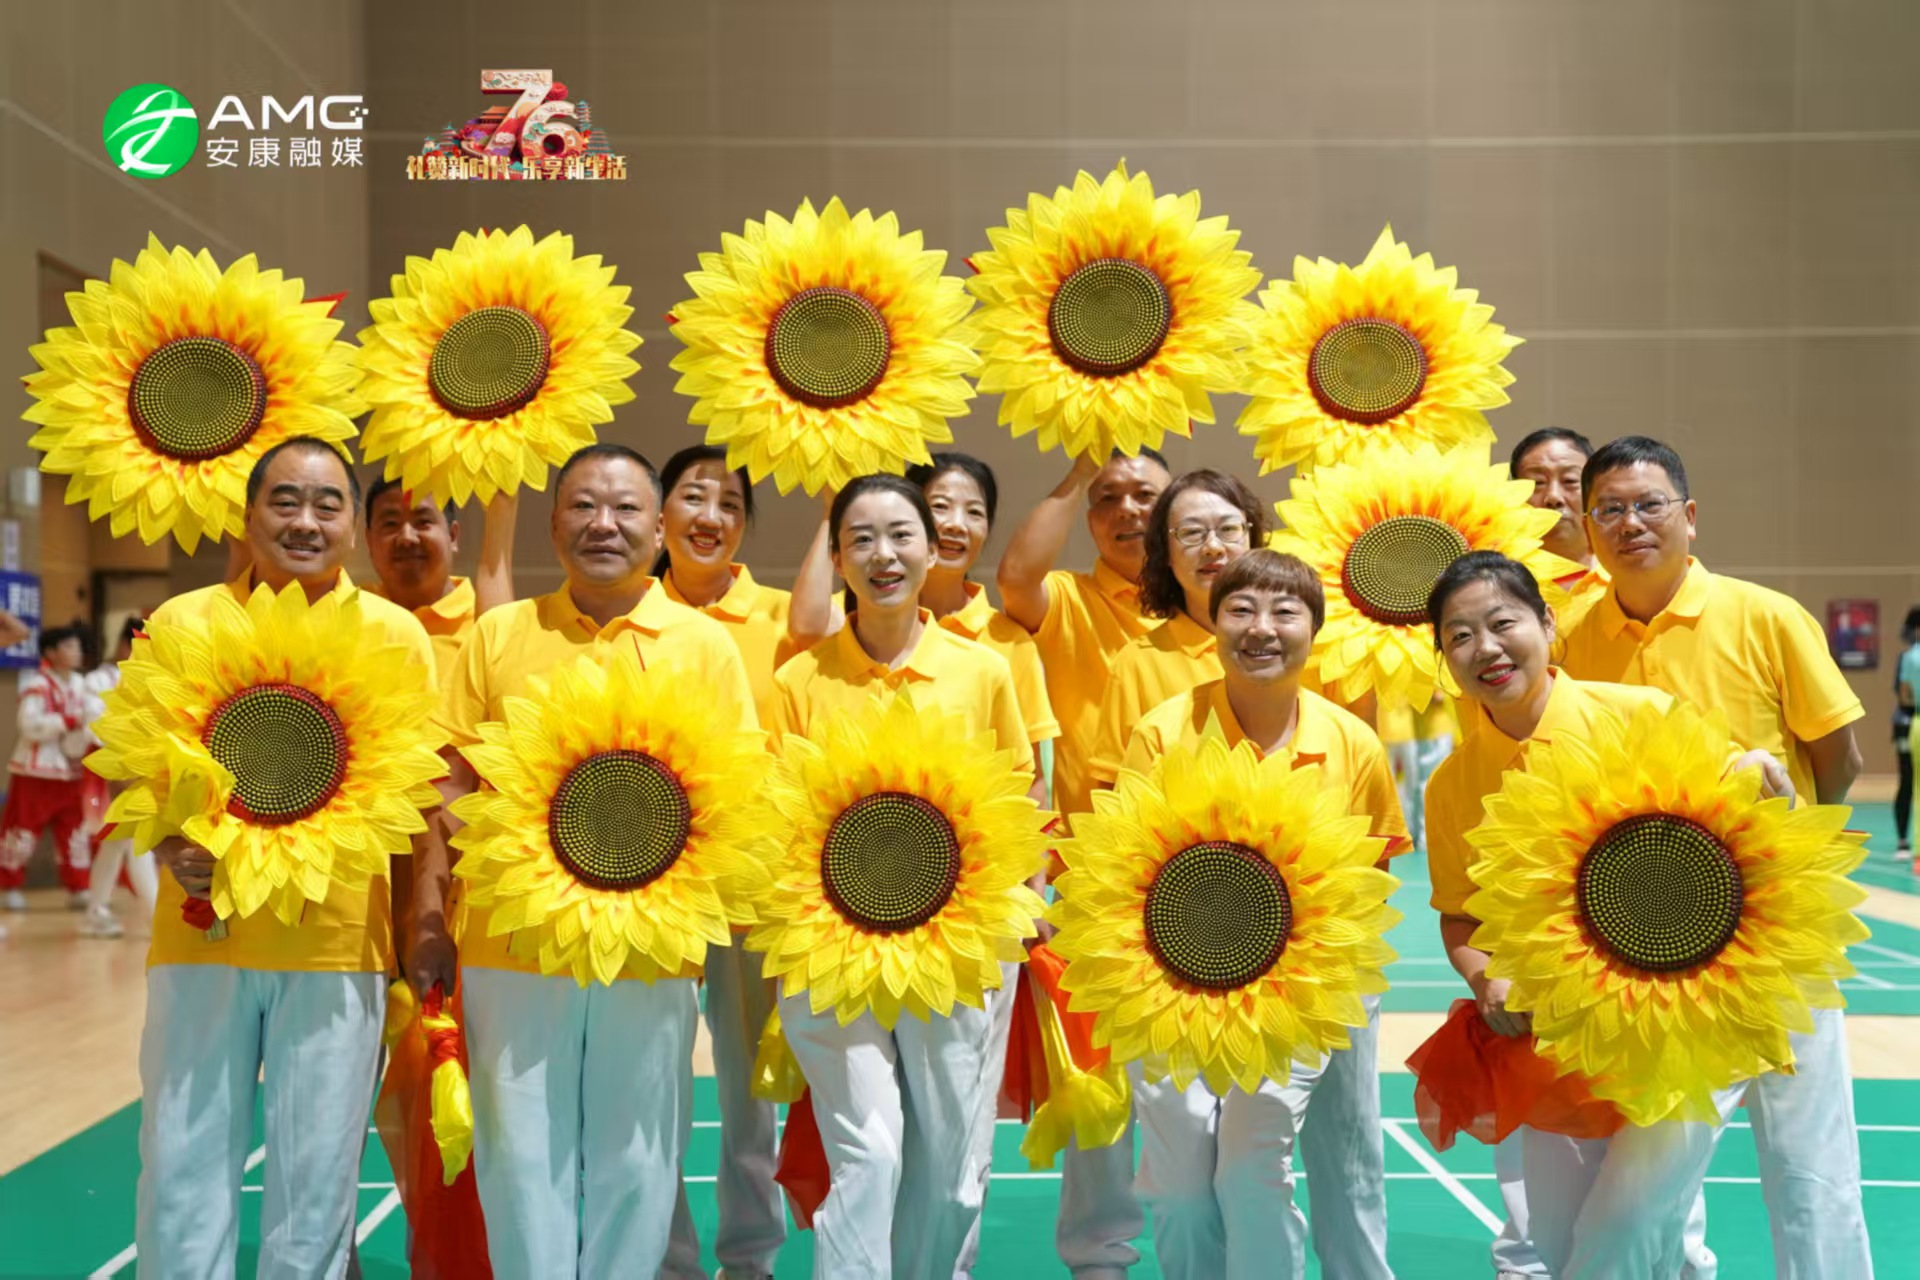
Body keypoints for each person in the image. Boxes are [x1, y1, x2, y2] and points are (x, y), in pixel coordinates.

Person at [412, 443, 757, 1280]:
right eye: (583, 506)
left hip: (652, 949)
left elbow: (737, 793)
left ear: (660, 529)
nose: (604, 524)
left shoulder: (705, 646)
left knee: (637, 1156)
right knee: (518, 1156)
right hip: (509, 947)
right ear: (553, 522)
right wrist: (429, 916)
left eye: (626, 508)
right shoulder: (500, 635)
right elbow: (446, 782)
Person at [1423, 549, 1796, 1277]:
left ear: (1547, 623)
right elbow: (1460, 917)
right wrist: (1484, 977)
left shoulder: (1639, 714)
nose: (1486, 649)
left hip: (1683, 1021)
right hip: (1553, 1041)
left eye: (1502, 623)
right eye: (1459, 636)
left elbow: (1741, 811)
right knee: (1571, 1243)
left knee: (1625, 1227)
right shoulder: (1452, 784)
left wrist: (1762, 782)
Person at [1558, 436, 1870, 1277]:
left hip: (1782, 931)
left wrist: (1789, 853)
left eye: (1649, 504)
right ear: (1588, 526)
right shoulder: (1573, 640)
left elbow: (1838, 756)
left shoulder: (1766, 616)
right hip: (1657, 945)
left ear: (1689, 517)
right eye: (1609, 509)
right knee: (1648, 1179)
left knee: (1811, 1166)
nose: (1630, 523)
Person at [135, 437, 437, 1278]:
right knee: (181, 1168)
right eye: (286, 501)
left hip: (335, 947)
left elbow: (415, 798)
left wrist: (419, 934)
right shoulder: (182, 623)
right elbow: (139, 762)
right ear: (247, 515)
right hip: (202, 941)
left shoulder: (395, 635)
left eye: (327, 504)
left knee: (316, 1188)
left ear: (353, 525)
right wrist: (170, 840)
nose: (306, 521)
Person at [771, 473, 1037, 1280]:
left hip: (958, 950)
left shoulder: (983, 672)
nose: (882, 555)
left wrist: (1022, 903)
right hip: (831, 951)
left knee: (951, 1173)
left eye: (900, 535)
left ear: (932, 549)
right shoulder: (799, 681)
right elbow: (774, 818)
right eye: (860, 539)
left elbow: (1020, 796)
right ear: (836, 558)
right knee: (870, 1153)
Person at [1118, 549, 1407, 1280]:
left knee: (1254, 1164)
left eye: (1285, 612)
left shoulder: (1352, 742)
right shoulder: (1163, 732)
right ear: (1212, 623)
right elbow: (1124, 870)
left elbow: (1374, 877)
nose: (1261, 629)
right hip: (1173, 986)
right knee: (1179, 1187)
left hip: (1301, 991)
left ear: (1315, 628)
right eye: (1240, 610)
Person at [649, 443, 834, 1280]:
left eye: (730, 503)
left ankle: (749, 1258)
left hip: (750, 887)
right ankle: (667, 1257)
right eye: (694, 496)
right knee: (650, 1082)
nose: (711, 515)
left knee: (747, 1085)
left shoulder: (785, 619)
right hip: (645, 888)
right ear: (659, 514)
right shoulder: (628, 611)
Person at [996, 447, 1169, 1278]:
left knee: (1188, 1084)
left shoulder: (1214, 607)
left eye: (1146, 495)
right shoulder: (1067, 600)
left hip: (1192, 877)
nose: (1128, 510)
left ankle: (1196, 1247)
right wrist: (1075, 473)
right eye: (1109, 498)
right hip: (1085, 877)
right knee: (1095, 1069)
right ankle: (1099, 1253)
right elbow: (1017, 576)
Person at [904, 451, 1061, 1279]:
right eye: (939, 506)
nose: (956, 525)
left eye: (973, 510)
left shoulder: (1006, 645)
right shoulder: (857, 629)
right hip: (863, 908)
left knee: (958, 1118)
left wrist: (1031, 893)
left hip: (976, 911)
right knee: (876, 1127)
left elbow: (1033, 781)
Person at [363, 476, 521, 670]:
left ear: (453, 536)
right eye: (390, 524)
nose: (407, 537)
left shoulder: (487, 615)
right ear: (368, 541)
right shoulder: (350, 612)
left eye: (423, 521)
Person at [0, 624, 97, 912]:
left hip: (72, 770)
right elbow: (28, 725)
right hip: (36, 771)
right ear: (50, 653)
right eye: (68, 646)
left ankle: (79, 886)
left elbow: (94, 718)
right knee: (22, 829)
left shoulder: (82, 684)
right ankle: (8, 885)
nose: (76, 651)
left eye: (77, 646)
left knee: (75, 831)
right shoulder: (37, 685)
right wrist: (65, 722)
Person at [76, 617, 160, 939]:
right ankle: (154, 916)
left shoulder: (148, 678)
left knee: (118, 843)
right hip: (108, 769)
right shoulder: (98, 680)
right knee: (131, 840)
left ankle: (96, 912)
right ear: (126, 644)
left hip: (138, 767)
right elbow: (94, 727)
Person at [1510, 427, 1607, 638]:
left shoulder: (1624, 575)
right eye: (1537, 483)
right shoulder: (1501, 582)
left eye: (1570, 481)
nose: (1553, 497)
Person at [1896, 607, 1920, 858]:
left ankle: (1910, 844)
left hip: (1915, 722)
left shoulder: (1909, 657)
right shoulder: (1910, 656)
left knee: (1912, 783)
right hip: (1911, 723)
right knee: (1910, 782)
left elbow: (1904, 695)